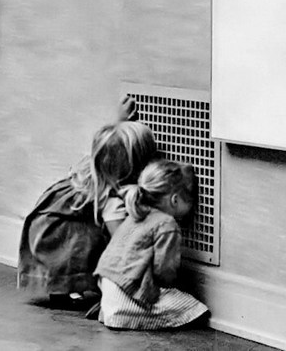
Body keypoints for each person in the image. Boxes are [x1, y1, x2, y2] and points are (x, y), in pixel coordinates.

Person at [17, 98, 156, 307]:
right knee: (88, 242)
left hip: (44, 225)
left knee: (83, 237)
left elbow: (109, 145)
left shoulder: (94, 166)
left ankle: (61, 288)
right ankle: (70, 286)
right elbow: (120, 241)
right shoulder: (111, 200)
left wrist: (119, 122)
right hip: (62, 234)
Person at [93, 159, 209, 330]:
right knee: (195, 308)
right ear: (175, 200)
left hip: (108, 286)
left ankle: (116, 313)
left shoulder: (136, 212)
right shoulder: (167, 224)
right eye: (189, 202)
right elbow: (164, 271)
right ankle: (127, 316)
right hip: (128, 294)